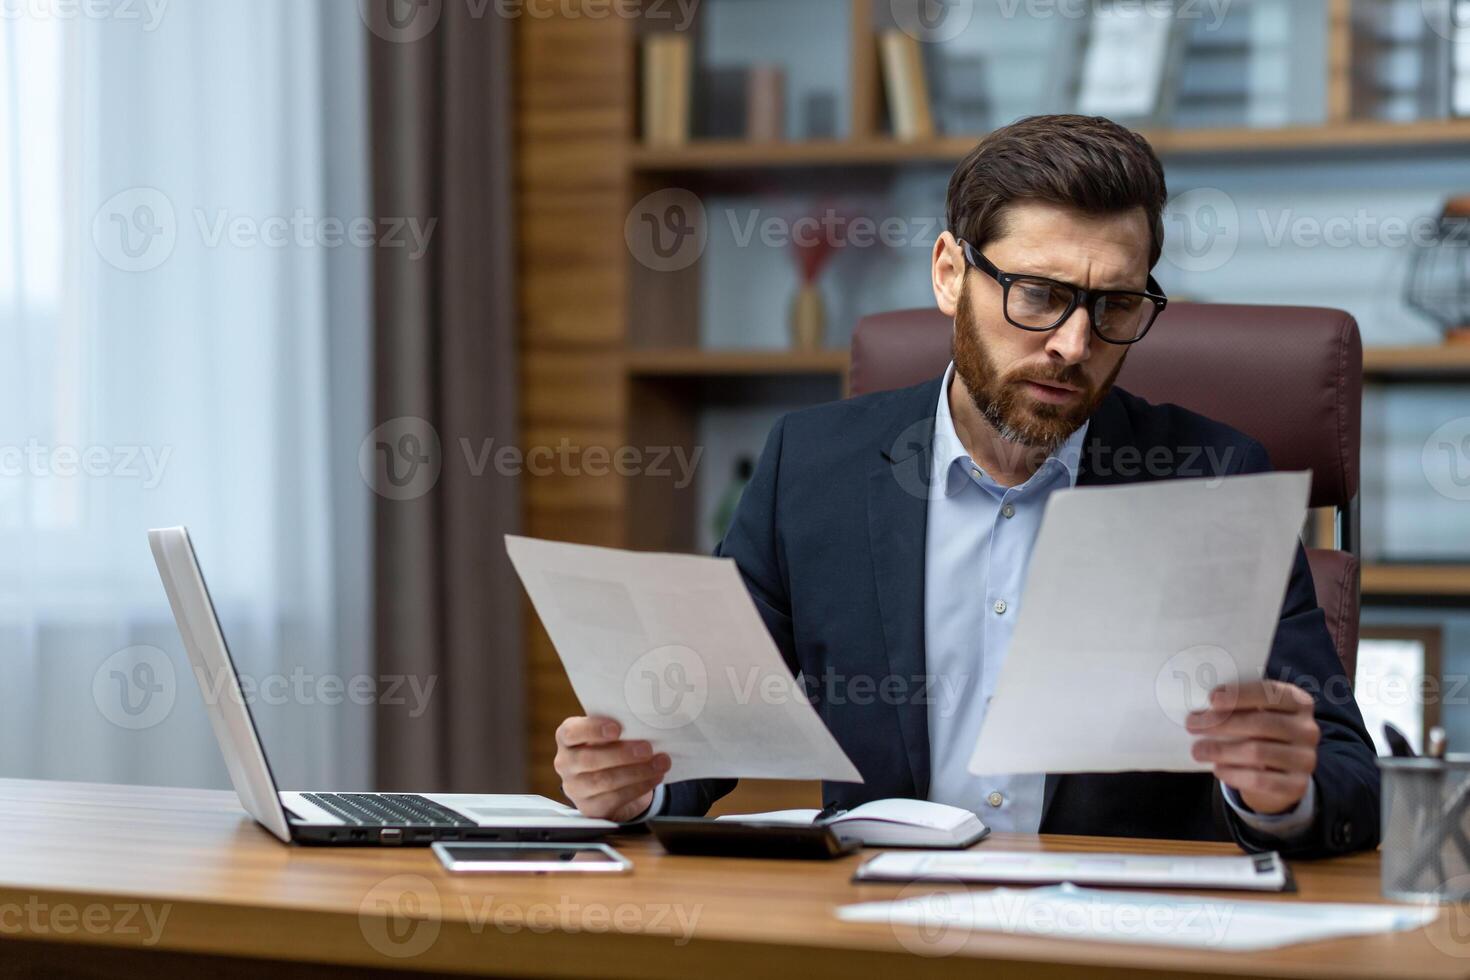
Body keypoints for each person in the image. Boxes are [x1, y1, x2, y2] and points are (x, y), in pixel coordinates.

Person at [552, 114, 1379, 857]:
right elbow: (701, 732)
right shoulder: (811, 467)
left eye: (1116, 306)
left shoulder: (1211, 479)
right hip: (877, 920)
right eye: (1040, 295)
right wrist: (632, 781)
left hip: (1116, 931)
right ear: (950, 273)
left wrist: (1278, 790)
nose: (1074, 344)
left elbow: (1350, 780)